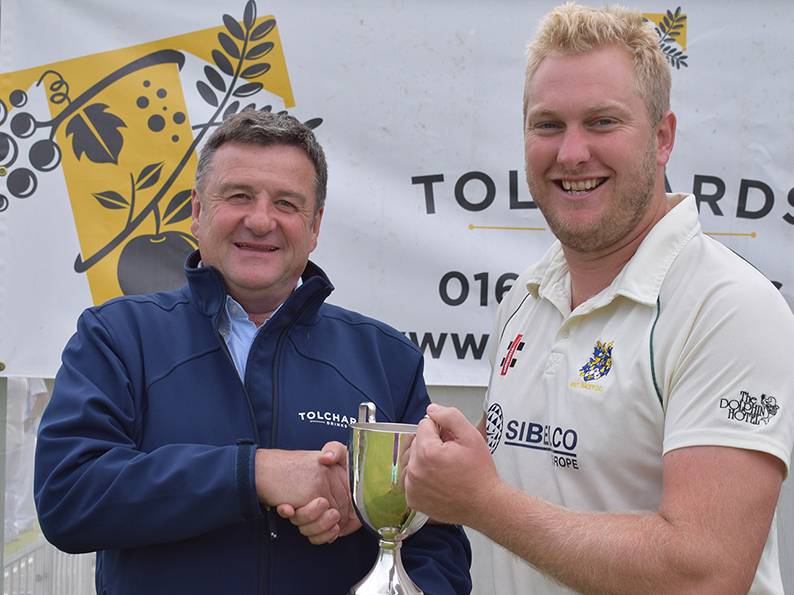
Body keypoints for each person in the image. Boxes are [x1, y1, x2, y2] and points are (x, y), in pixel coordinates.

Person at [403, 4, 794, 595]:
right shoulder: (527, 295)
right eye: (548, 125)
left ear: (662, 138)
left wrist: (481, 502)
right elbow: (517, 458)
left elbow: (706, 573)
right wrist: (388, 477)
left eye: (603, 122)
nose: (571, 153)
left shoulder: (729, 308)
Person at [34, 109, 472, 595]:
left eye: (286, 203)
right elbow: (67, 496)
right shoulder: (116, 337)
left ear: (315, 225)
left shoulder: (388, 358)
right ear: (198, 211)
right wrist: (255, 474)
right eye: (239, 196)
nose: (261, 220)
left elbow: (437, 539)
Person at [4, 377, 48, 542]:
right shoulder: (21, 379)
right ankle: (10, 528)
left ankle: (11, 527)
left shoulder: (13, 378)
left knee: (10, 484)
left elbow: (42, 397)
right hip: (17, 434)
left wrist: (29, 421)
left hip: (12, 434)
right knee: (12, 485)